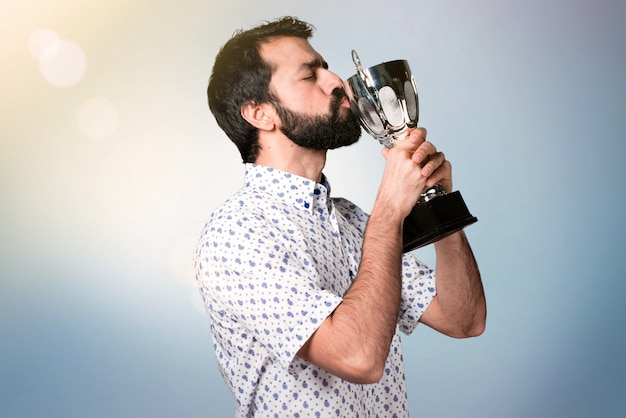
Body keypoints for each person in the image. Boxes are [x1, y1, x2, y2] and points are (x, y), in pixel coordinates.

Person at [195, 16, 486, 417]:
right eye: (309, 75)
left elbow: (463, 319)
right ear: (261, 114)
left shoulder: (351, 219)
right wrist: (389, 210)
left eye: (326, 68)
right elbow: (359, 358)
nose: (337, 82)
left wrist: (438, 204)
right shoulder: (238, 232)